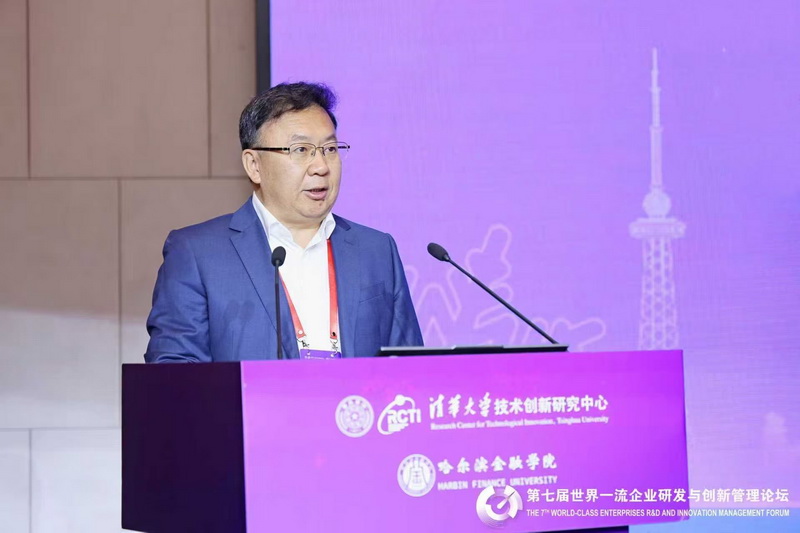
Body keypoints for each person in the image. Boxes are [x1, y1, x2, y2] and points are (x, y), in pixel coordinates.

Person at [144, 82, 423, 362]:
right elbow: (174, 371)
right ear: (254, 165)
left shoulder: (376, 250)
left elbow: (413, 367)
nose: (321, 166)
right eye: (300, 150)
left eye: (330, 149)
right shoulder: (198, 254)